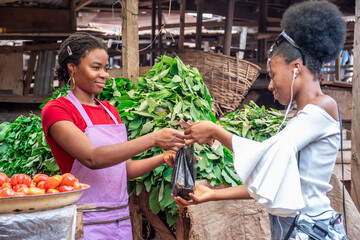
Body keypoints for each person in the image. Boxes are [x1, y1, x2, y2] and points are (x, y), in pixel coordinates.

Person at [173, 1, 347, 239]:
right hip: (296, 228)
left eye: (274, 74)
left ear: (296, 68)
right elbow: (274, 180)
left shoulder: (322, 107)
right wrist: (211, 194)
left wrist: (216, 132)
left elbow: (270, 152)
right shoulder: (305, 117)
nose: (272, 85)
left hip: (310, 230)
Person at [41, 32, 185, 240]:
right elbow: (93, 158)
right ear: (72, 67)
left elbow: (124, 169)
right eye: (96, 67)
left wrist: (162, 158)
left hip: (119, 222)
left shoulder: (110, 110)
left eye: (106, 69)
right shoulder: (56, 110)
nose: (105, 75)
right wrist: (153, 139)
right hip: (85, 223)